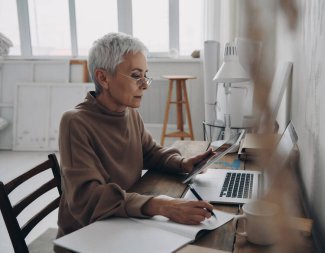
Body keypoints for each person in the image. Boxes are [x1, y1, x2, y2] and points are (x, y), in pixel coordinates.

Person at [56, 32, 214, 242]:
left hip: (124, 220)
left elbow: (150, 152)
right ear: (103, 78)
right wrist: (160, 205)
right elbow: (88, 199)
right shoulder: (75, 123)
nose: (145, 85)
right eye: (135, 75)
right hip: (88, 235)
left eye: (145, 75)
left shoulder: (130, 113)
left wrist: (182, 163)